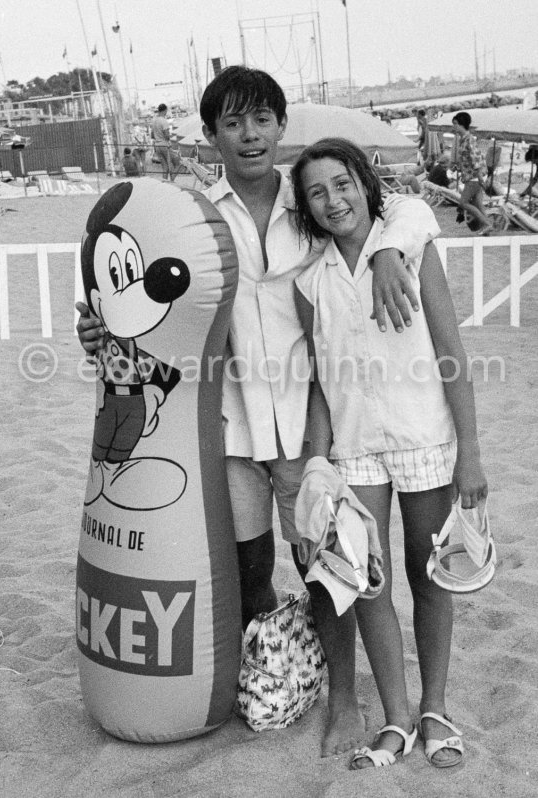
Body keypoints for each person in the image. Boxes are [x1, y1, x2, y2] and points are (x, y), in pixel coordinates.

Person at [76, 65, 440, 756]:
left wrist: (391, 246)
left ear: (279, 125)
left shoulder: (311, 203)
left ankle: (342, 699)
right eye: (233, 123)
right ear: (211, 135)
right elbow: (129, 296)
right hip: (231, 431)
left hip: (314, 425)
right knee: (246, 569)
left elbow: (399, 208)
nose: (250, 134)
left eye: (262, 119)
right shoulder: (193, 217)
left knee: (325, 568)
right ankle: (265, 677)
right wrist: (95, 331)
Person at [291, 137, 487, 769]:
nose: (334, 200)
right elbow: (321, 382)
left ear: (364, 182)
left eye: (343, 183)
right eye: (317, 191)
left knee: (430, 577)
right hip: (354, 448)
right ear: (307, 206)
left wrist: (472, 451)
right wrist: (318, 465)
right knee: (368, 584)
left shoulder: (411, 246)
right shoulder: (309, 280)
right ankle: (397, 718)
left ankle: (435, 708)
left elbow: (452, 350)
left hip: (423, 435)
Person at [450, 112, 493, 235]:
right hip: (473, 176)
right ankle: (487, 229)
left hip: (473, 178)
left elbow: (477, 158)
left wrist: (479, 176)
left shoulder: (468, 140)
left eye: (455, 124)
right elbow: (468, 159)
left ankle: (487, 224)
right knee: (478, 204)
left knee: (463, 203)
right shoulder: (464, 140)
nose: (454, 127)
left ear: (461, 124)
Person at [151, 103, 180, 181]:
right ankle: (172, 180)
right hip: (164, 145)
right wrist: (169, 137)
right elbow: (167, 135)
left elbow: (152, 135)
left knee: (165, 167)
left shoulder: (154, 121)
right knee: (177, 163)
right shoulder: (164, 121)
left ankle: (165, 183)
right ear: (165, 110)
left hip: (157, 146)